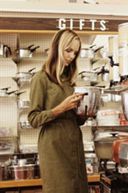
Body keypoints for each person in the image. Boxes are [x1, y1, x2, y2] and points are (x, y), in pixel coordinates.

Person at [28, 29, 89, 193]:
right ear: (57, 48)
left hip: (74, 142)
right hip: (54, 146)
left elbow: (74, 119)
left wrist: (85, 113)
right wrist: (61, 108)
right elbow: (33, 119)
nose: (71, 56)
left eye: (75, 52)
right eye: (68, 50)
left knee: (79, 187)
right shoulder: (41, 79)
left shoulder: (70, 81)